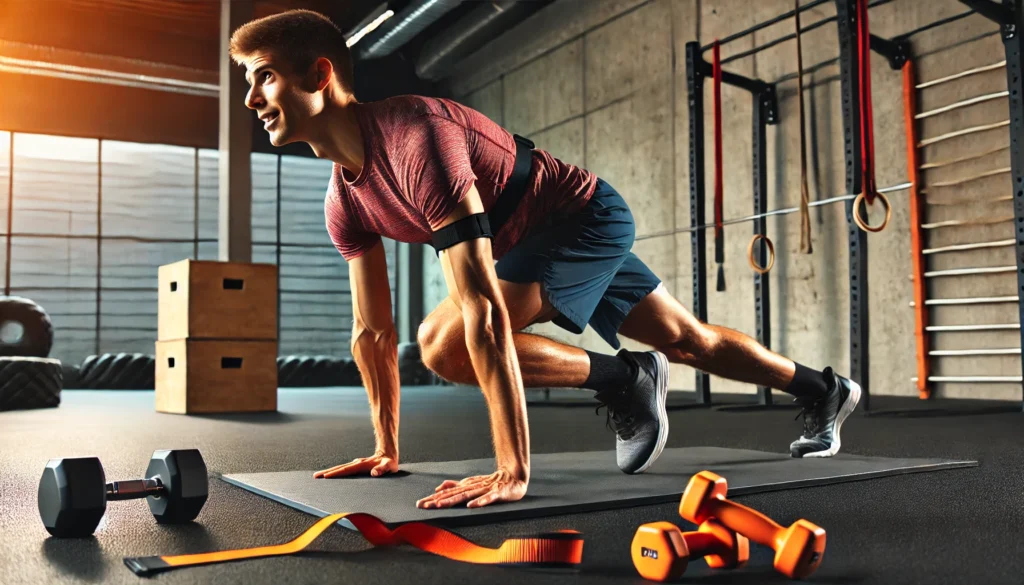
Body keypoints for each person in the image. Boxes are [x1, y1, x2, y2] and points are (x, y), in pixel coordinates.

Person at [229, 9, 861, 510]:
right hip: (526, 242)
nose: (252, 98)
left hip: (583, 219)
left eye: (264, 76)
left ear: (319, 75)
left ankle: (628, 380)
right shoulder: (345, 199)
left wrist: (512, 468)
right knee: (686, 339)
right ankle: (825, 390)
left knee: (443, 344)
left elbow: (481, 310)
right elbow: (371, 331)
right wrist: (385, 448)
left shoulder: (415, 137)